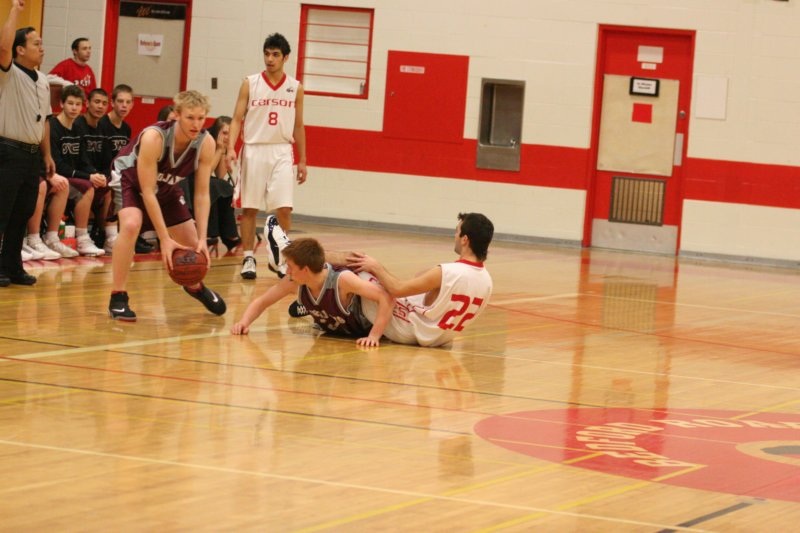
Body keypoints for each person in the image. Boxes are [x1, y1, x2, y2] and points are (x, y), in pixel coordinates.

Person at [107, 89, 226, 321]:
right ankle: (118, 296)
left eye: (201, 118)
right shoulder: (155, 138)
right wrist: (164, 238)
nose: (196, 124)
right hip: (129, 179)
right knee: (131, 225)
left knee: (192, 243)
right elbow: (148, 191)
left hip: (166, 186)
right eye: (190, 117)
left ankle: (194, 285)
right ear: (177, 115)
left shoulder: (206, 143)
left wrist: (203, 238)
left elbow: (202, 194)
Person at [226, 32, 307, 280]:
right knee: (250, 208)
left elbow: (299, 125)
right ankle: (248, 257)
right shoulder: (250, 83)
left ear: (286, 58)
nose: (270, 59)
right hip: (254, 148)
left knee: (284, 209)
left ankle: (279, 256)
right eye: (267, 54)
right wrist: (230, 147)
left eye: (275, 55)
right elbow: (236, 118)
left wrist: (303, 160)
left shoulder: (295, 87)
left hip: (282, 150)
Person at [347, 212, 495, 347]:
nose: (454, 236)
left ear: (465, 239)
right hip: (439, 338)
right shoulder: (487, 281)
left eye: (457, 231)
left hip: (408, 330)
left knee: (361, 270)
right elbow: (428, 298)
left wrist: (376, 267)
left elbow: (397, 289)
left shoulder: (447, 272)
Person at [231, 238, 392, 347]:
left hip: (362, 329)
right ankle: (305, 306)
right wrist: (244, 322)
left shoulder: (342, 280)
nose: (287, 271)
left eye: (290, 267)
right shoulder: (292, 281)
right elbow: (262, 302)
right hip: (334, 329)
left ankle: (304, 306)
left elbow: (385, 296)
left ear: (305, 269)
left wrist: (374, 336)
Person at [0, 0, 56, 287]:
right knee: (2, 212)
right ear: (20, 49)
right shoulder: (8, 72)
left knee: (22, 213)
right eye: (36, 43)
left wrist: (47, 155)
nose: (42, 48)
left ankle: (12, 267)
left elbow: (44, 120)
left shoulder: (44, 80)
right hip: (8, 151)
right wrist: (14, 10)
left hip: (32, 156)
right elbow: (3, 47)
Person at [49, 84, 106, 256]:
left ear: (82, 106)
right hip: (55, 175)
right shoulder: (52, 126)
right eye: (70, 103)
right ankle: (52, 238)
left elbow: (83, 160)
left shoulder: (78, 128)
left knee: (94, 185)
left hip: (71, 177)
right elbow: (58, 165)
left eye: (78, 104)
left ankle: (83, 239)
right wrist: (88, 176)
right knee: (85, 186)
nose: (74, 108)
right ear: (61, 104)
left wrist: (95, 174)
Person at [73, 87, 117, 252]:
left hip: (96, 176)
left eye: (104, 103)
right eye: (97, 102)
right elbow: (80, 159)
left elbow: (108, 159)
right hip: (81, 175)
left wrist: (105, 176)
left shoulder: (104, 127)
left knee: (113, 186)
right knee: (90, 186)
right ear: (87, 103)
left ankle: (110, 237)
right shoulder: (77, 125)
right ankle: (82, 238)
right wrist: (93, 175)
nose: (100, 106)